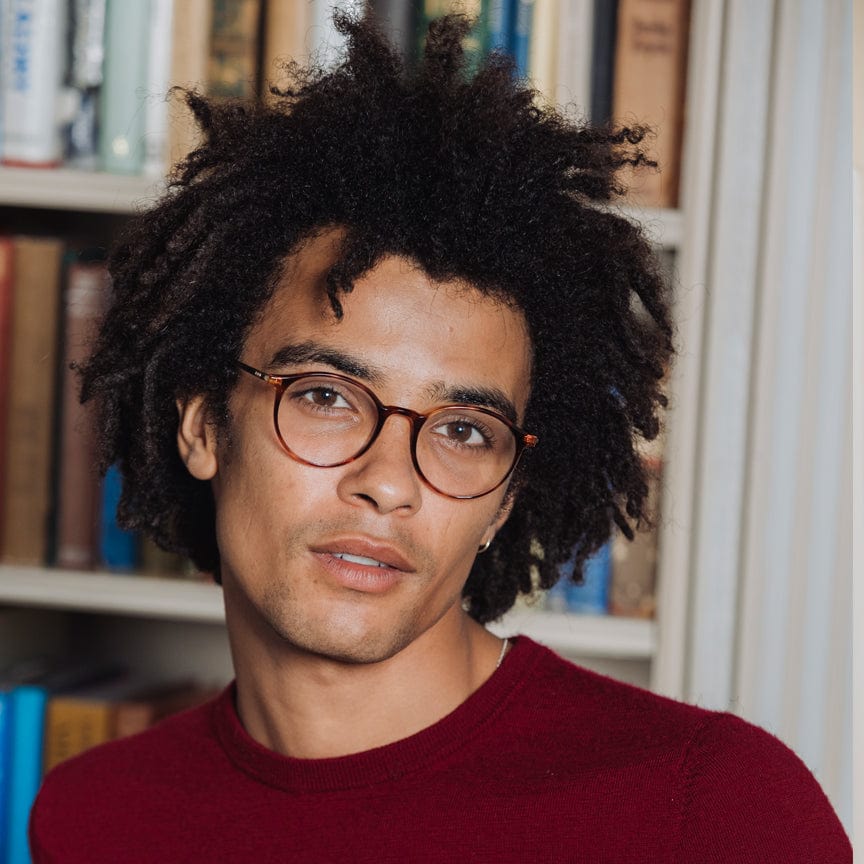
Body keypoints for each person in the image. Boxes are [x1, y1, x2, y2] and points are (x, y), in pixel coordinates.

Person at [30, 13, 850, 863]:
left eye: (464, 430)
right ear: (204, 425)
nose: (389, 481)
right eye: (326, 396)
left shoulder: (711, 809)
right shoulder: (95, 818)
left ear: (504, 501)